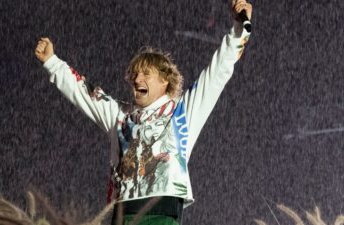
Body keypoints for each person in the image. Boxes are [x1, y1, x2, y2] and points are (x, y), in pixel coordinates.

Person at [35, 0, 252, 224]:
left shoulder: (181, 113)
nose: (137, 80)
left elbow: (218, 70)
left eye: (146, 74)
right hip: (122, 213)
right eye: (134, 75)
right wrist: (52, 62)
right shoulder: (119, 116)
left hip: (161, 213)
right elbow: (85, 93)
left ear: (165, 81)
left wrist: (238, 29)